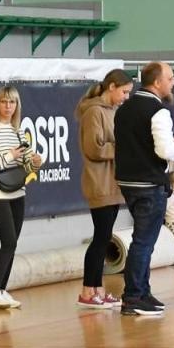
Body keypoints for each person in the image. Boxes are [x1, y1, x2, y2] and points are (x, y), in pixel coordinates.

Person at [114, 62, 174, 318]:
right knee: (144, 243)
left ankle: (143, 291)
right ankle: (134, 296)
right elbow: (164, 151)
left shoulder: (124, 108)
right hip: (148, 183)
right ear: (157, 82)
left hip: (127, 181)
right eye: (170, 78)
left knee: (143, 240)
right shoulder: (158, 111)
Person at [0, 83, 44, 309]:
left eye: (12, 102)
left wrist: (34, 162)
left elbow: (23, 164)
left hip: (17, 190)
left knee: (12, 244)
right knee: (8, 241)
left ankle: (1, 290)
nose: (8, 106)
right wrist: (8, 155)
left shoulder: (18, 131)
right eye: (4, 101)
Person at [75, 69, 133, 310]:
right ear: (111, 87)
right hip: (99, 181)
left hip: (112, 181)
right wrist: (122, 147)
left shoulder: (113, 112)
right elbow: (94, 148)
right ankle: (88, 290)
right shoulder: (94, 112)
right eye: (124, 92)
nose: (126, 97)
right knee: (100, 238)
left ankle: (98, 289)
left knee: (104, 236)